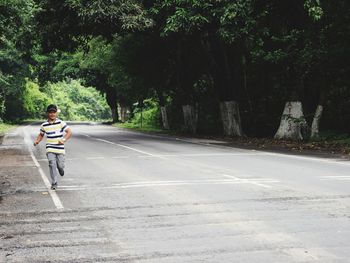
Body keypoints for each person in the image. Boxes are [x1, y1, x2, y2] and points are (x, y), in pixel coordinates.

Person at [34, 104, 72, 190]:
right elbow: (41, 134)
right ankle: (54, 182)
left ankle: (61, 170)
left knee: (60, 166)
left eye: (54, 112)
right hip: (50, 147)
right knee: (52, 164)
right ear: (47, 113)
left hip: (60, 148)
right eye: (50, 112)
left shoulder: (61, 123)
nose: (52, 114)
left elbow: (69, 132)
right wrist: (37, 141)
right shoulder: (44, 125)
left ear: (56, 113)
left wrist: (63, 140)